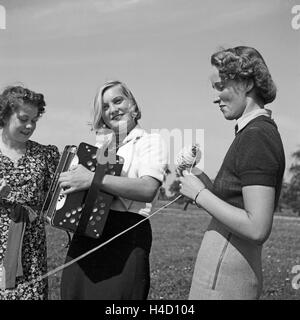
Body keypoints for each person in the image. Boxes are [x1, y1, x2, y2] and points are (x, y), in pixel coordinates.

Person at [179, 46, 285, 300]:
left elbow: (257, 227)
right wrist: (197, 177)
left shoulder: (257, 136)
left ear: (247, 83)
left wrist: (199, 195)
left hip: (226, 285)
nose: (214, 97)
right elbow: (233, 201)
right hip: (220, 280)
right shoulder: (251, 134)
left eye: (220, 86)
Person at [59, 80, 168, 300]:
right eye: (105, 107)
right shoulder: (102, 147)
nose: (112, 110)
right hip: (87, 233)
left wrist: (92, 179)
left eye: (117, 101)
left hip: (125, 234)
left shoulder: (150, 141)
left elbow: (148, 188)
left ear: (133, 105)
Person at [0, 86, 60, 300]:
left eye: (34, 120)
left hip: (31, 247)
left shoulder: (45, 155)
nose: (29, 126)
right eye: (24, 118)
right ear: (5, 115)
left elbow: (61, 195)